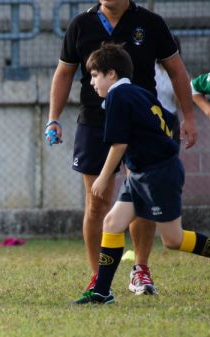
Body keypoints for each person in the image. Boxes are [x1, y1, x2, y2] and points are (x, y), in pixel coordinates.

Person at [47, 0, 197, 296]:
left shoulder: (151, 22)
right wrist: (53, 119)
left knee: (143, 200)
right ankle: (98, 279)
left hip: (141, 126)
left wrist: (189, 117)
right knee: (97, 204)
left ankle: (140, 269)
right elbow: (64, 73)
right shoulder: (80, 24)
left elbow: (177, 70)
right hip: (94, 123)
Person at [73, 43, 210, 304]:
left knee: (173, 239)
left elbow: (119, 143)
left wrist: (103, 177)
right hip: (141, 172)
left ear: (111, 74)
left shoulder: (117, 96)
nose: (91, 82)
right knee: (112, 224)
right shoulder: (139, 92)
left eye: (94, 75)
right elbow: (164, 124)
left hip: (157, 174)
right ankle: (101, 291)